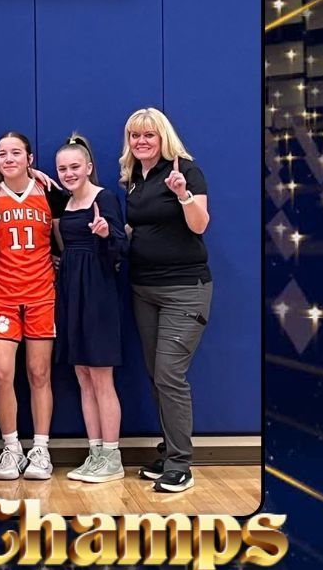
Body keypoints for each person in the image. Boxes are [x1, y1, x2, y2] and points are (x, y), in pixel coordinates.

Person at [121, 107, 212, 493]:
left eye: (149, 135)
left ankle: (181, 464)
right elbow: (140, 228)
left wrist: (183, 195)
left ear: (163, 138)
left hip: (184, 289)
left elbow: (200, 224)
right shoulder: (132, 178)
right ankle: (169, 450)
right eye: (135, 135)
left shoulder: (185, 170)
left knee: (170, 376)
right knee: (157, 378)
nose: (141, 141)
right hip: (144, 289)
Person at [0, 131, 68, 482]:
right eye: (2, 154)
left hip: (42, 294)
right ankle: (11, 448)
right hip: (3, 296)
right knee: (0, 373)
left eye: (17, 153)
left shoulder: (48, 192)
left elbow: (62, 241)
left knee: (39, 373)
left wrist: (61, 261)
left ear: (30, 158)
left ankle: (40, 447)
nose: (9, 159)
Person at [54, 134, 127, 483]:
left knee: (101, 376)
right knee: (82, 375)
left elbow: (121, 248)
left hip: (98, 291)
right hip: (70, 290)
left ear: (89, 167)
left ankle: (112, 457)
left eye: (74, 167)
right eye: (62, 169)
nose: (68, 173)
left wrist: (104, 234)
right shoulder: (64, 203)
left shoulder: (105, 198)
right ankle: (95, 451)